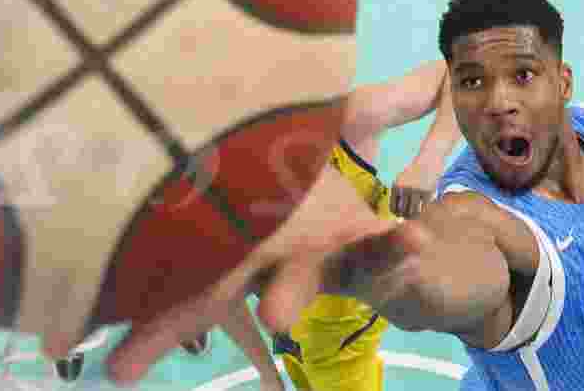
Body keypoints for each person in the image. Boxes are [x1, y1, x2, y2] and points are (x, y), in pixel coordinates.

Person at [107, 0, 584, 391]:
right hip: (319, 335)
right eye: (472, 83)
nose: (499, 102)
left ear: (564, 80)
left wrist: (423, 159)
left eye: (522, 75)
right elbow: (429, 275)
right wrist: (335, 261)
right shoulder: (471, 219)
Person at [176, 59, 462, 391]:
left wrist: (430, 157)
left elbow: (459, 69)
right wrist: (268, 376)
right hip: (294, 328)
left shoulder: (347, 123)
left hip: (343, 337)